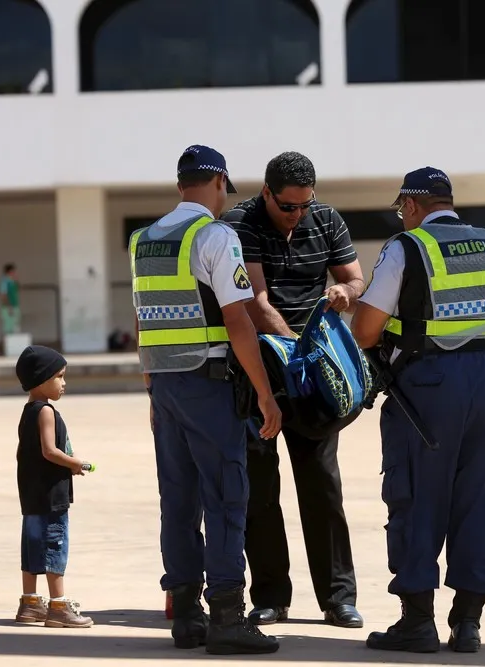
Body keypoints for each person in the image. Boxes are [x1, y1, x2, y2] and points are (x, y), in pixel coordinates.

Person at [349, 167, 485, 654]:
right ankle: (467, 624)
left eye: (400, 209)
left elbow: (365, 331)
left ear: (411, 205)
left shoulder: (408, 248)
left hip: (427, 390)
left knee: (418, 497)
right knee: (483, 501)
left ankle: (417, 623)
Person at [131, 144, 282, 655]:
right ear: (219, 184)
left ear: (180, 186)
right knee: (225, 496)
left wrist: (153, 387)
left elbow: (142, 320)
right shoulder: (216, 236)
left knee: (177, 499)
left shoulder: (144, 241)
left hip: (167, 383)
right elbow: (238, 319)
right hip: (208, 380)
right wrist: (266, 395)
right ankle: (226, 617)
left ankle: (186, 616)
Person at [222, 151, 366, 629]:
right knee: (260, 490)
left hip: (313, 377)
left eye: (305, 205)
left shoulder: (326, 219)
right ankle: (270, 596)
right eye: (289, 207)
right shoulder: (241, 223)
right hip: (260, 369)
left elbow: (354, 277)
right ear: (266, 193)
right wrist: (294, 351)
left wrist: (346, 292)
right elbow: (256, 301)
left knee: (322, 485)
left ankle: (338, 598)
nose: (298, 214)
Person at [14, 344, 94, 629]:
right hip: (51, 496)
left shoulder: (28, 411)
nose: (63, 383)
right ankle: (58, 606)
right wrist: (76, 463)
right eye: (59, 376)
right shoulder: (46, 412)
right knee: (54, 546)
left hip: (32, 495)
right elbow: (50, 451)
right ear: (42, 379)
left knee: (32, 546)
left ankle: (30, 603)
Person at [0, 263, 21, 335]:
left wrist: (16, 281)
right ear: (9, 272)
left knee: (15, 326)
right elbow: (3, 295)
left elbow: (18, 289)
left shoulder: (13, 281)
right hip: (9, 307)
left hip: (14, 306)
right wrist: (9, 306)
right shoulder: (4, 281)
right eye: (13, 271)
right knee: (9, 328)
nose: (14, 273)